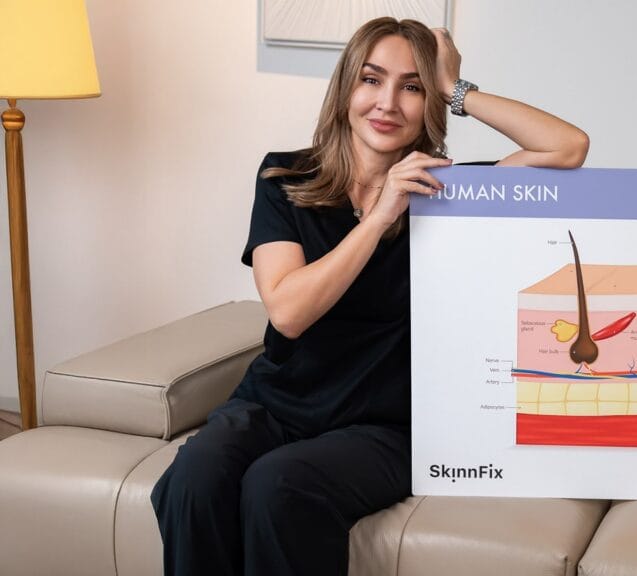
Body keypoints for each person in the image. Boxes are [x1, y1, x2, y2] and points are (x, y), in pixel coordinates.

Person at [150, 16, 588, 576]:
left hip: (384, 425)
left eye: (412, 87)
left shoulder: (448, 192)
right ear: (346, 90)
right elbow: (288, 313)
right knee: (191, 480)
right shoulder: (285, 178)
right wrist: (379, 217)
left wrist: (456, 88)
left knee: (278, 485)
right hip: (275, 405)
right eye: (372, 79)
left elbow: (568, 147)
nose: (388, 103)